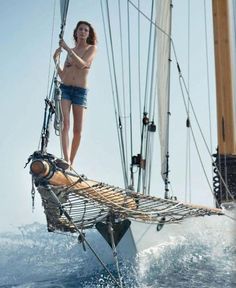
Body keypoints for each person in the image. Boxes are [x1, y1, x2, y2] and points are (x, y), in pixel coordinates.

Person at [53, 21, 97, 168]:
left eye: (86, 30)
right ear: (76, 32)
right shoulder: (69, 51)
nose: (83, 32)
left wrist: (67, 49)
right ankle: (66, 160)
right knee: (65, 123)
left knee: (77, 131)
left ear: (88, 34)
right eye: (81, 29)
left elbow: (82, 64)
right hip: (65, 88)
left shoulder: (92, 49)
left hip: (80, 92)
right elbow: (63, 75)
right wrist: (56, 61)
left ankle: (72, 161)